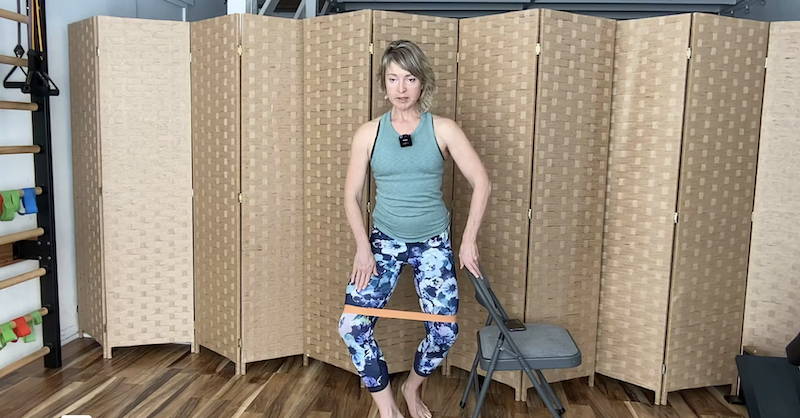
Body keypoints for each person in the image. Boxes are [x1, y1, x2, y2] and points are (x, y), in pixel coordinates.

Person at [338, 40, 491, 418]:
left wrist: (468, 240)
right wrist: (363, 247)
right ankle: (389, 409)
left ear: (422, 82)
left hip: (433, 241)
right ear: (384, 83)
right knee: (352, 326)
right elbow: (351, 196)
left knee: (444, 331)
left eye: (409, 79)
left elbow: (482, 181)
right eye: (393, 79)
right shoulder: (368, 134)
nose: (401, 88)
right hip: (383, 241)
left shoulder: (444, 129)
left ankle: (412, 387)